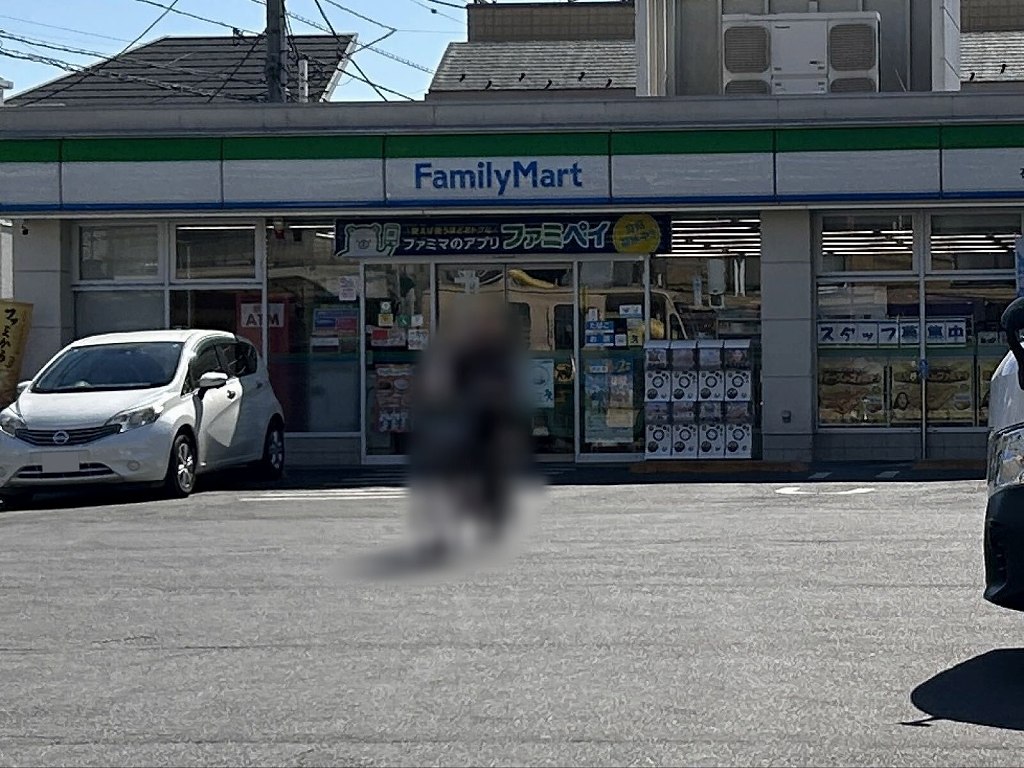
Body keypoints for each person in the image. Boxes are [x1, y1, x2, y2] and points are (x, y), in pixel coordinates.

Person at [407, 296, 532, 561]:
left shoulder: (498, 355)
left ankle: (488, 522)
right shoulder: (460, 356)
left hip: (489, 424)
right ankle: (445, 531)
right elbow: (441, 387)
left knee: (487, 477)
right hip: (460, 424)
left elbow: (509, 390)